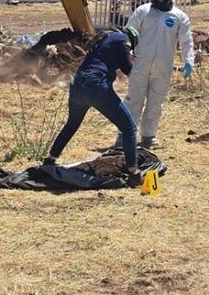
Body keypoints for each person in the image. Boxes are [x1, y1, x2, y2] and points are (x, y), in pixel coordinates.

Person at [45, 26, 142, 182]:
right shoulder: (123, 39)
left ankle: (50, 159)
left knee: (71, 125)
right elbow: (126, 67)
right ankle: (134, 173)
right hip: (95, 85)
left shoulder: (104, 39)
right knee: (128, 127)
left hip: (78, 83)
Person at [122, 0, 195, 148]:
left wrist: (188, 61)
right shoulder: (143, 11)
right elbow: (129, 33)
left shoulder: (179, 16)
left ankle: (148, 136)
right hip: (139, 63)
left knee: (155, 102)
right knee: (134, 100)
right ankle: (124, 135)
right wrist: (124, 56)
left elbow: (186, 41)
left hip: (163, 67)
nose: (159, 0)